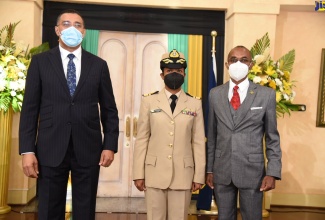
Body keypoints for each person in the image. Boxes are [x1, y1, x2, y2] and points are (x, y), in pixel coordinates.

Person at [19, 9, 119, 220]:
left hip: (88, 148)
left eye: (77, 25)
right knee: (48, 209)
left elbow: (109, 109)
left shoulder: (99, 65)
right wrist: (27, 150)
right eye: (66, 24)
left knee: (85, 210)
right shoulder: (40, 63)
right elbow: (29, 110)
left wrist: (110, 144)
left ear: (84, 32)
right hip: (50, 147)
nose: (72, 28)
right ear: (57, 30)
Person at [206, 45, 282, 220]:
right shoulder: (215, 94)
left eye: (243, 60)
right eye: (233, 60)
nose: (238, 63)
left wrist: (272, 172)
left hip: (252, 172)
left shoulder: (266, 95)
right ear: (226, 64)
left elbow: (272, 138)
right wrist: (209, 169)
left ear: (251, 64)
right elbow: (212, 136)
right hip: (222, 170)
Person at [133, 49, 206, 220]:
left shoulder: (195, 103)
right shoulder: (149, 101)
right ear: (162, 74)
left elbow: (198, 142)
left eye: (179, 71)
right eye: (170, 71)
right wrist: (138, 173)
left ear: (185, 74)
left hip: (183, 174)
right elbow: (142, 138)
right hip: (154, 173)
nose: (174, 74)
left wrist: (199, 175)